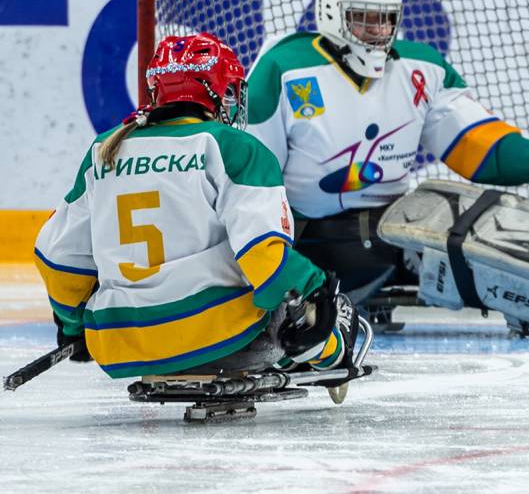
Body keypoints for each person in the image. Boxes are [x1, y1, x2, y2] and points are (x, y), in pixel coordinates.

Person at [246, 0, 529, 314]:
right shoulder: (283, 68)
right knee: (453, 246)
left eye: (385, 19)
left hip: (391, 226)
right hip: (312, 243)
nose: (377, 31)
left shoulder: (420, 67)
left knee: (469, 214)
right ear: (333, 15)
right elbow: (250, 177)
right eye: (364, 18)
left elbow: (473, 140)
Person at [34, 32, 358, 384]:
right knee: (315, 299)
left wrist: (73, 325)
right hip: (224, 342)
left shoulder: (103, 150)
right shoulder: (234, 147)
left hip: (120, 345)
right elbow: (265, 259)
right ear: (216, 91)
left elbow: (59, 259)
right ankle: (328, 357)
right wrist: (315, 291)